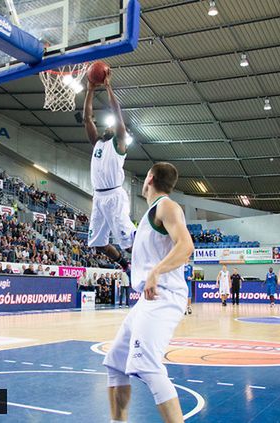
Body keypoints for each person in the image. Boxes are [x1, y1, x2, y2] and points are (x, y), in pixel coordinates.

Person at [103, 162, 193, 423]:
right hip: (146, 299)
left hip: (163, 295)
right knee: (115, 363)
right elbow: (142, 257)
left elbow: (186, 246)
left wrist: (156, 272)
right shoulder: (147, 217)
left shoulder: (166, 205)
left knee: (147, 365)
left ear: (150, 178)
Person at [84, 72, 135, 270]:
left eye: (112, 126)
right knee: (98, 244)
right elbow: (88, 118)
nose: (109, 126)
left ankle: (153, 265)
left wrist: (108, 87)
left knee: (129, 243)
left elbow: (117, 113)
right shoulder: (98, 142)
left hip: (115, 196)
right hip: (98, 197)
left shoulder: (119, 143)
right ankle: (126, 266)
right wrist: (90, 90)